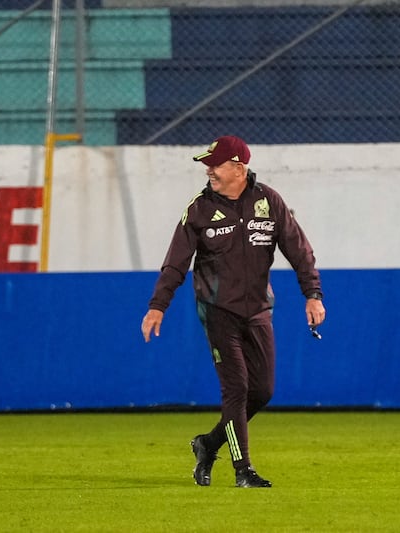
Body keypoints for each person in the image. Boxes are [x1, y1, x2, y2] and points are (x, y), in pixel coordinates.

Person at [140, 135, 326, 488]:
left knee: (263, 391)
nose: (209, 170)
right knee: (237, 388)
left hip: (258, 312)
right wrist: (157, 306)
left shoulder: (269, 202)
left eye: (216, 164)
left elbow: (300, 251)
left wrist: (312, 294)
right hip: (217, 311)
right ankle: (244, 470)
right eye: (208, 164)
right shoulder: (198, 208)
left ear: (238, 167)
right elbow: (175, 264)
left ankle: (208, 445)